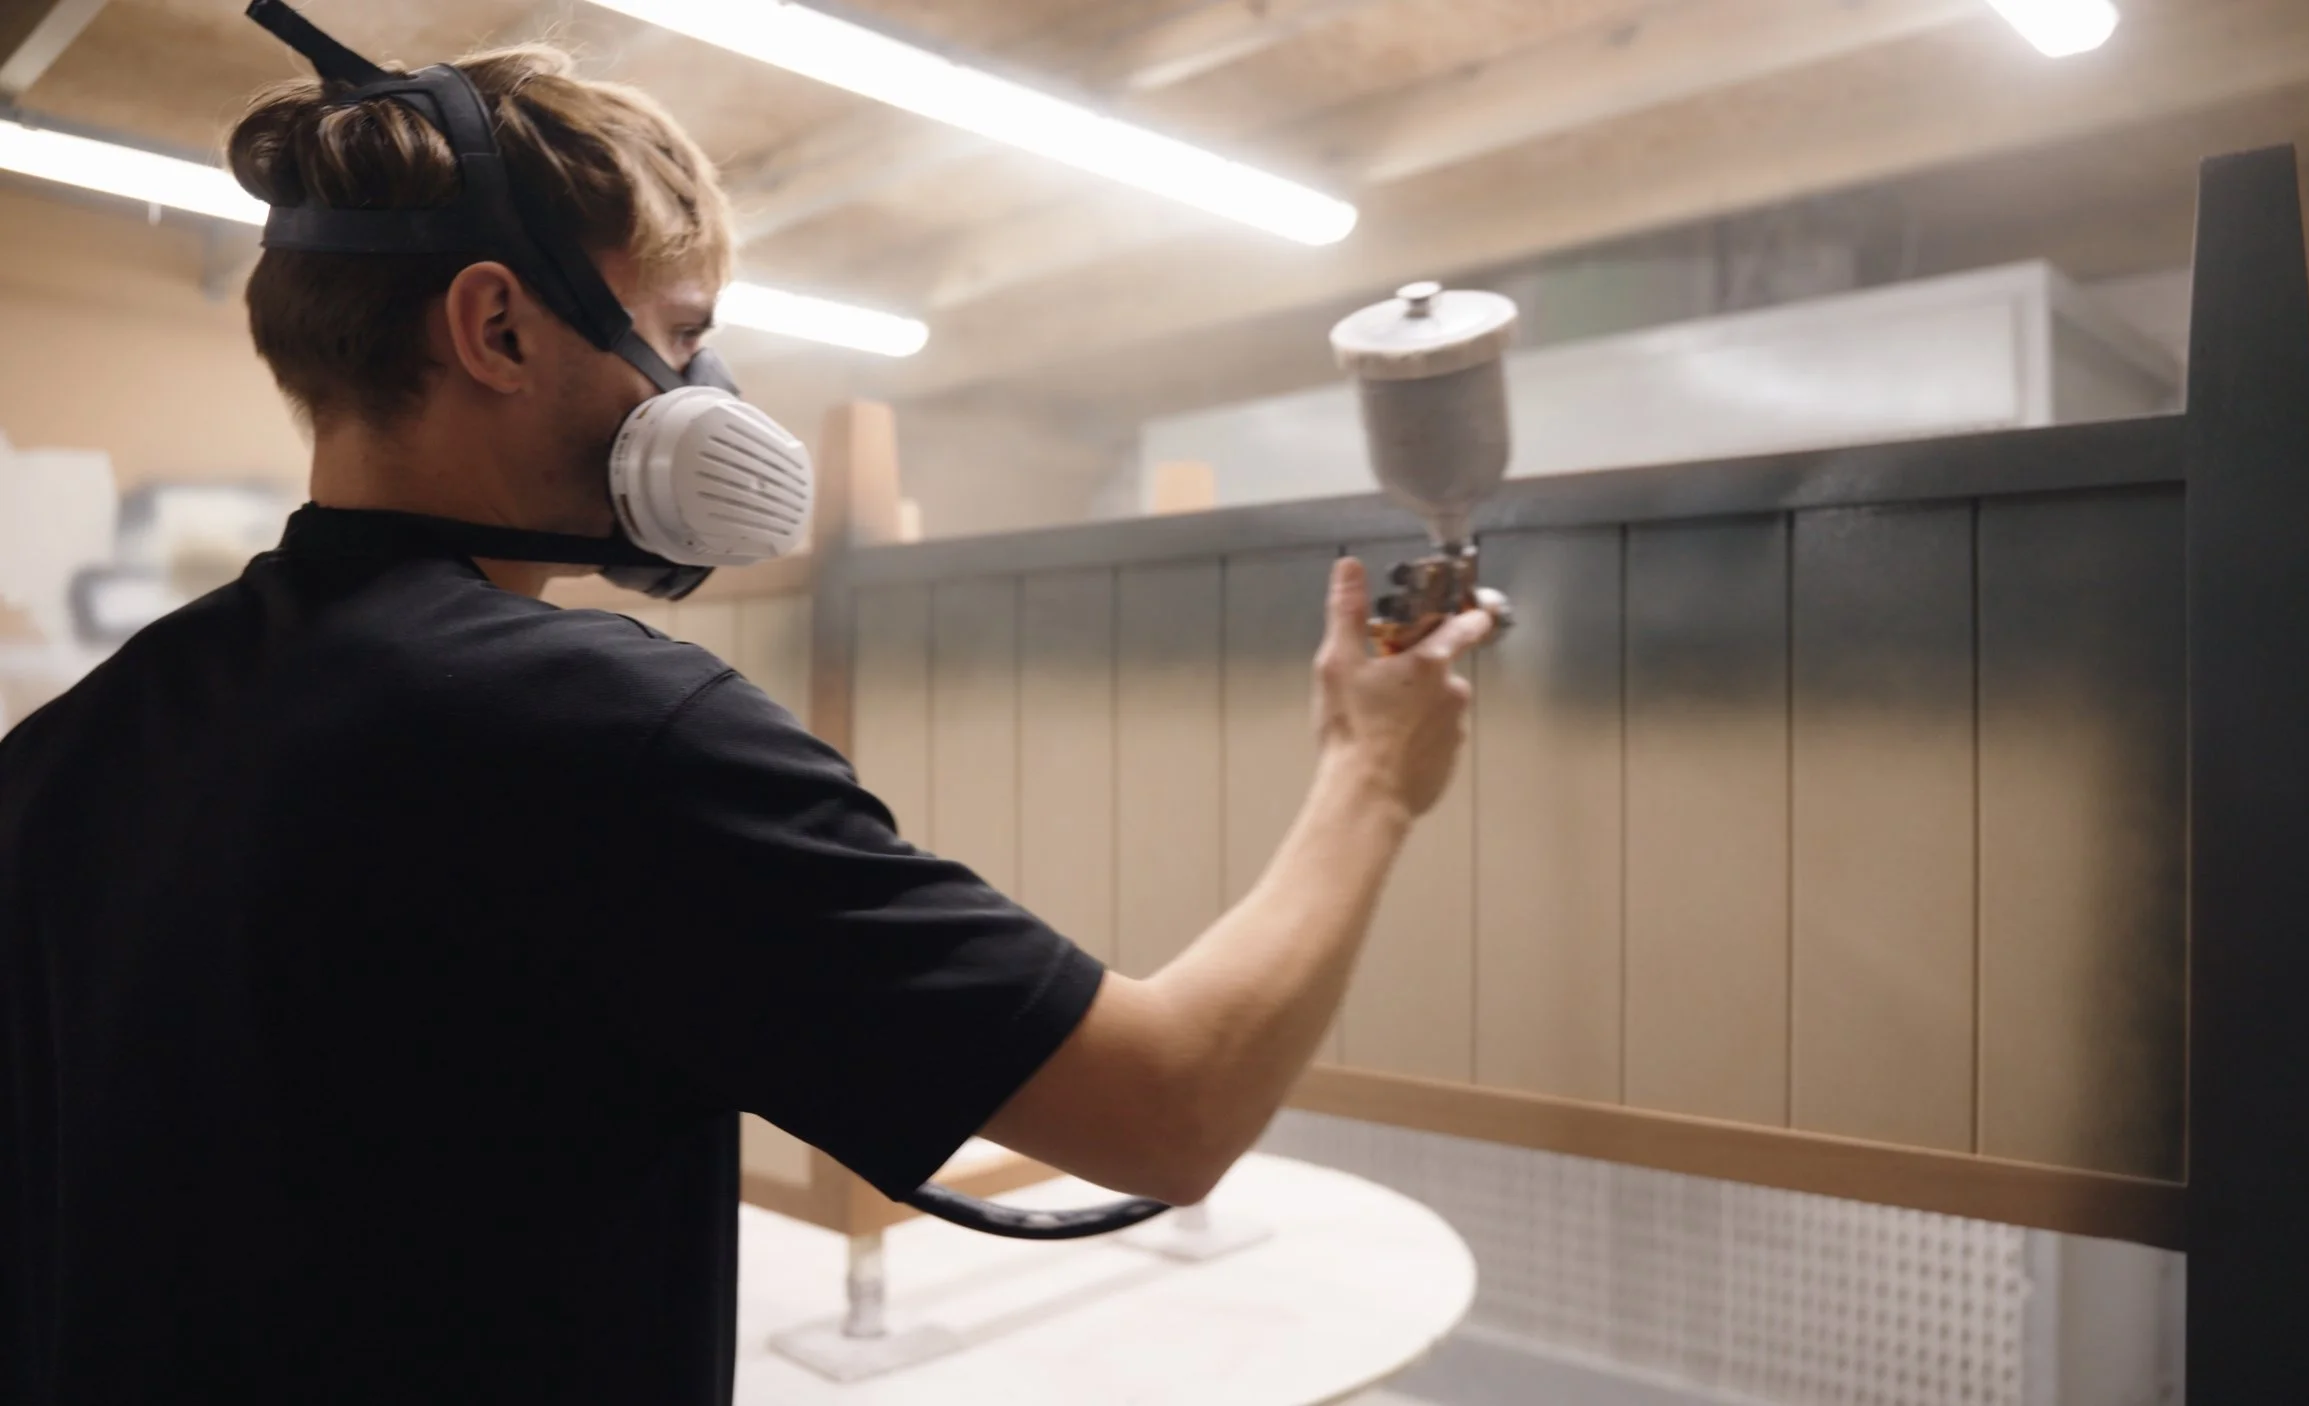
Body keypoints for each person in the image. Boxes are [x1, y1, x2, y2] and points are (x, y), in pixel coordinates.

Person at [0, 33, 1489, 1406]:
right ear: (497, 328)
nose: (701, 387)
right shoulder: (605, 733)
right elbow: (1170, 1106)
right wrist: (1373, 773)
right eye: (678, 329)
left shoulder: (71, 746)